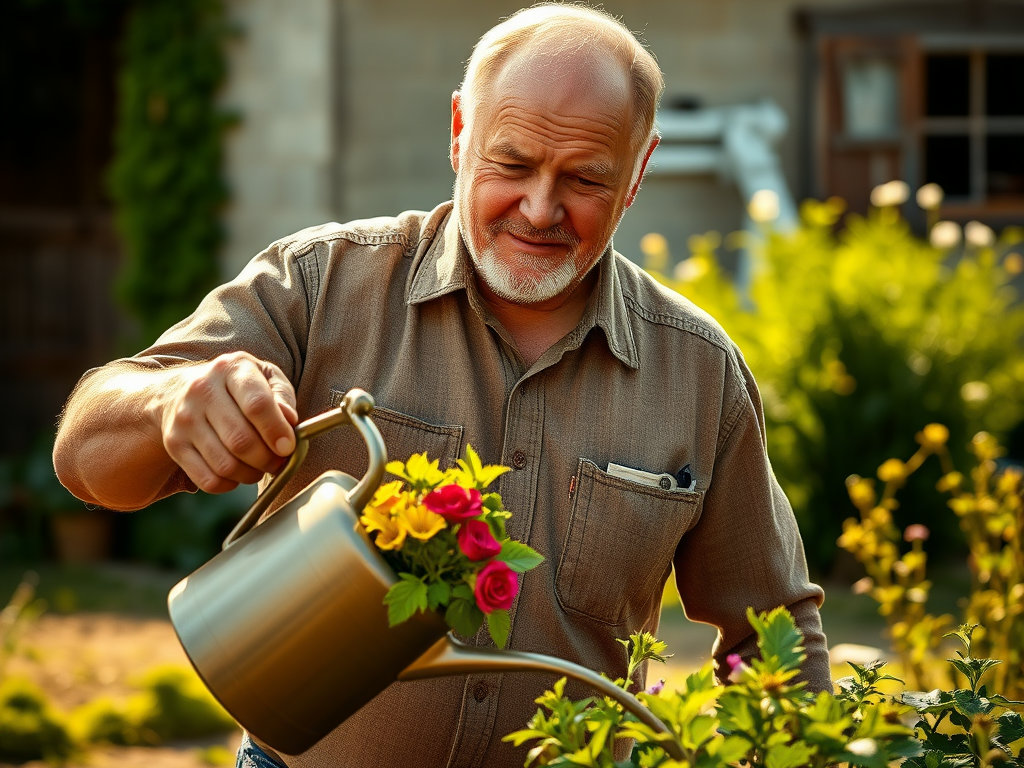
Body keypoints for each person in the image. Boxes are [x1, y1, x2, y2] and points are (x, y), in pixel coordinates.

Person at [54, 5, 830, 767]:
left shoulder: (698, 369)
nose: (540, 207)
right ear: (460, 133)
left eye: (585, 178)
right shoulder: (323, 284)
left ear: (637, 173)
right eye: (513, 163)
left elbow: (773, 631)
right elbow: (85, 452)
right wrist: (166, 404)